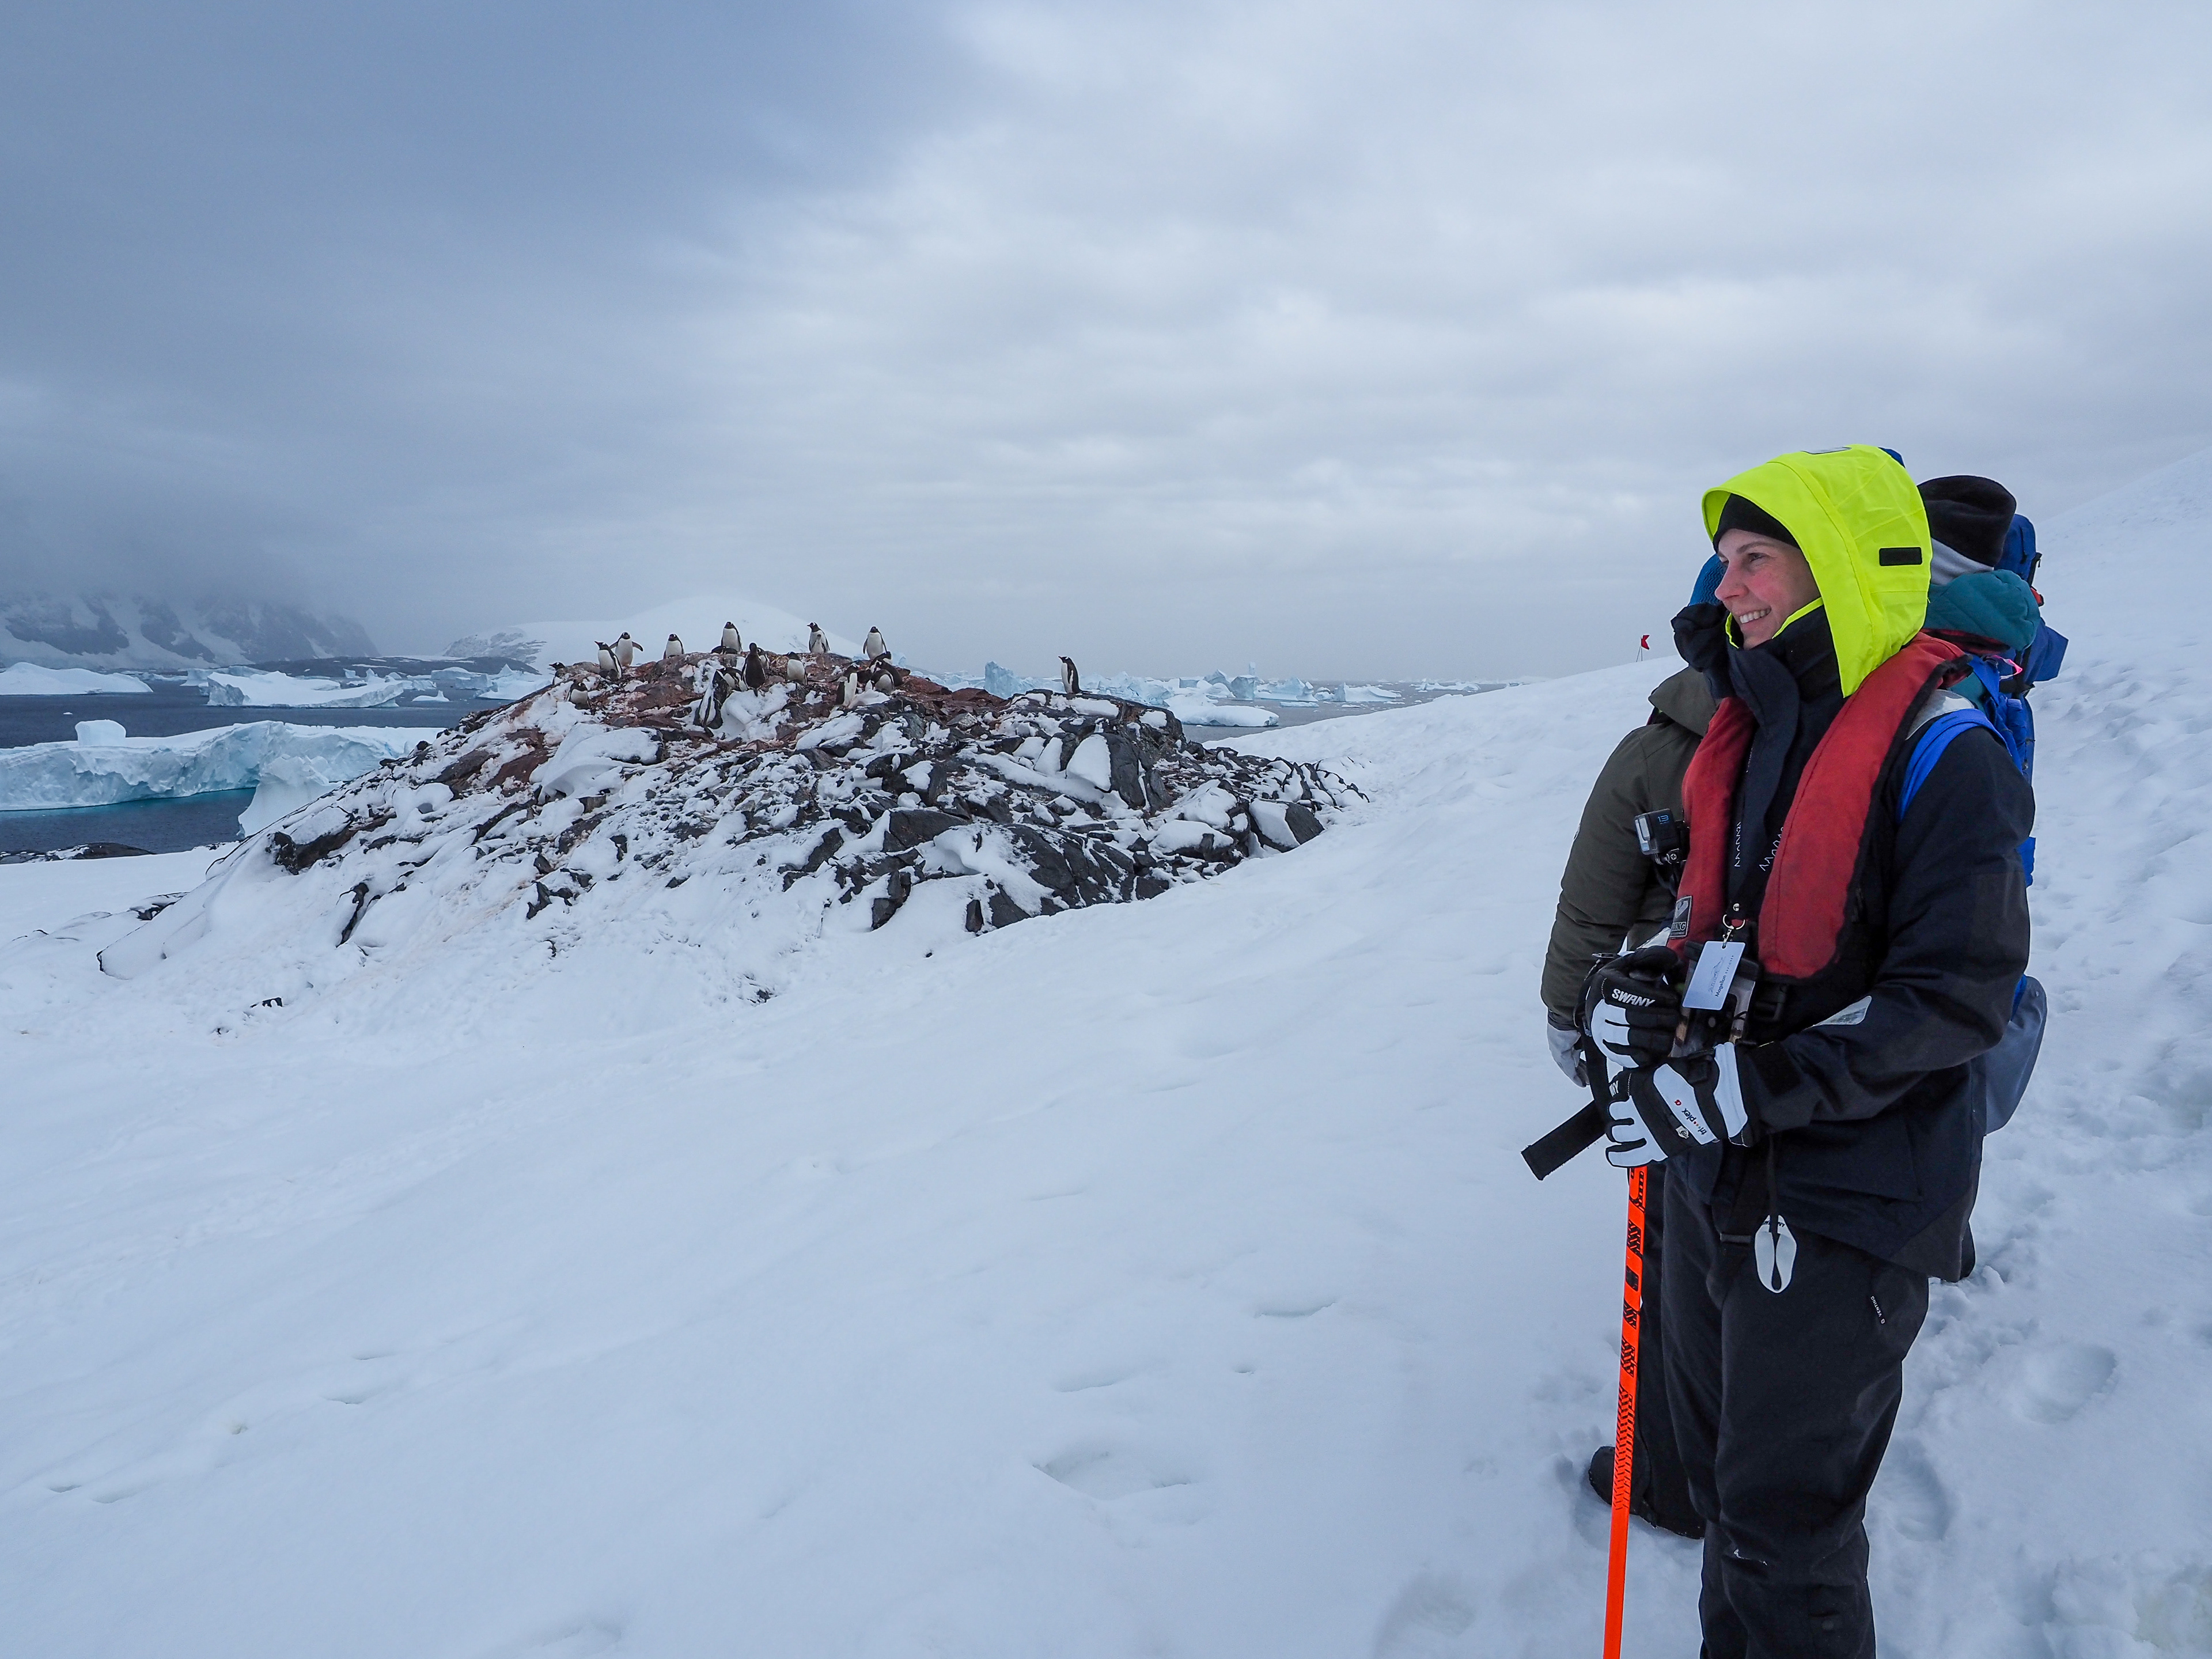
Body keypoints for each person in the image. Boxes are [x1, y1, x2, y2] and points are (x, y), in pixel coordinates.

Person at [1580, 445, 2032, 1657]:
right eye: (1725, 561)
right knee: (1717, 1461)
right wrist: (1648, 989)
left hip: (1847, 1193)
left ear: (1837, 564)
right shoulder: (1759, 723)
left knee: (1782, 1530)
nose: (1727, 587)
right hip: (1722, 1162)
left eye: (1755, 560)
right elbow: (1733, 927)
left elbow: (1956, 999)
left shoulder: (1948, 753)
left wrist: (1748, 1084)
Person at [1540, 566, 1718, 1540]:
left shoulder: (1659, 749)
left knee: (1679, 1254)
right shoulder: (1880, 717)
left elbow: (1593, 900)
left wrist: (1569, 1021)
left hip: (1664, 1033)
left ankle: (1666, 1472)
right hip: (1804, 1053)